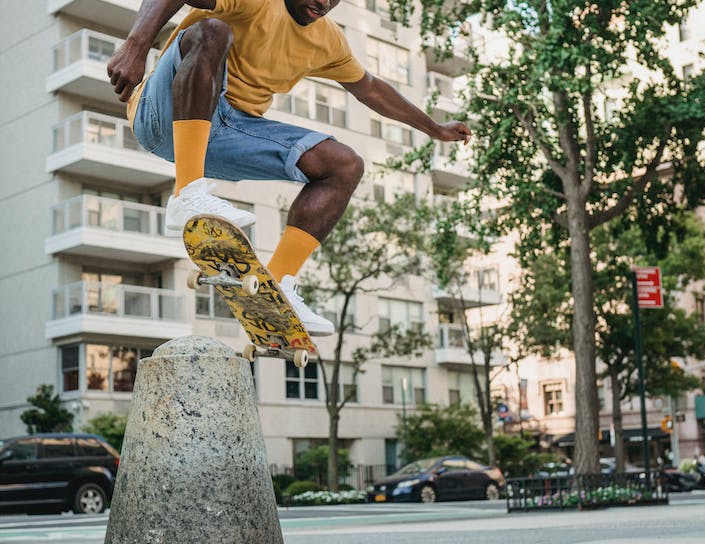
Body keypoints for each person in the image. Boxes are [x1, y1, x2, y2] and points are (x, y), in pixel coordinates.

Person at [106, 0, 472, 335]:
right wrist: (135, 45)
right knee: (213, 31)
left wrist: (433, 128)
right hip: (162, 112)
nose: (324, 4)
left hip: (227, 134)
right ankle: (187, 193)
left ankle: (275, 286)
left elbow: (371, 88)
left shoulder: (329, 40)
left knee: (344, 165)